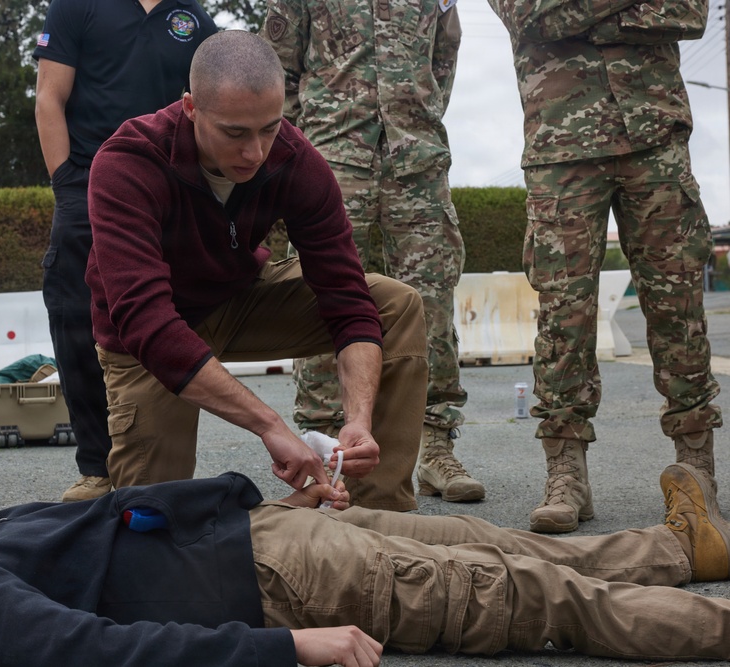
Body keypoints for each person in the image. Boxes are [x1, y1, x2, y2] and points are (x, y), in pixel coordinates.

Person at [0, 436, 730, 666]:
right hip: (286, 580)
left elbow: (122, 542)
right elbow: (91, 651)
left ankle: (679, 548)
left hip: (270, 533)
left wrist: (275, 505)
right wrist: (287, 646)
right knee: (535, 594)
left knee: (496, 539)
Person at [85, 29, 430, 510]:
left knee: (395, 304)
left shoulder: (294, 158)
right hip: (147, 337)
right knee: (153, 516)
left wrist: (359, 419)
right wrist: (270, 425)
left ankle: (374, 513)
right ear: (190, 108)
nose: (256, 152)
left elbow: (348, 300)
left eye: (269, 128)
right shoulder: (129, 162)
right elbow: (146, 321)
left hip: (236, 296)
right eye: (235, 133)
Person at [487, 0, 721, 534]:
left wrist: (575, 17)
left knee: (678, 307)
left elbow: (689, 13)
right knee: (563, 316)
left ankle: (696, 467)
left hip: (655, 136)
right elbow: (528, 17)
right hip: (561, 143)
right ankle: (566, 471)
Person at [261, 0, 485, 504]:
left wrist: (416, 112)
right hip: (332, 158)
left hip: (417, 159)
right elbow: (277, 68)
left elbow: (444, 56)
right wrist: (303, 143)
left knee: (431, 305)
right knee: (320, 300)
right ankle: (323, 449)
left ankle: (436, 446)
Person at [33, 0, 217, 502]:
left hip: (167, 195)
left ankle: (150, 470)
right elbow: (49, 97)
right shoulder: (76, 6)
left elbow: (211, 109)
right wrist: (66, 183)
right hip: (87, 185)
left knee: (158, 326)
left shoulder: (194, 18)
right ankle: (96, 468)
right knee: (76, 323)